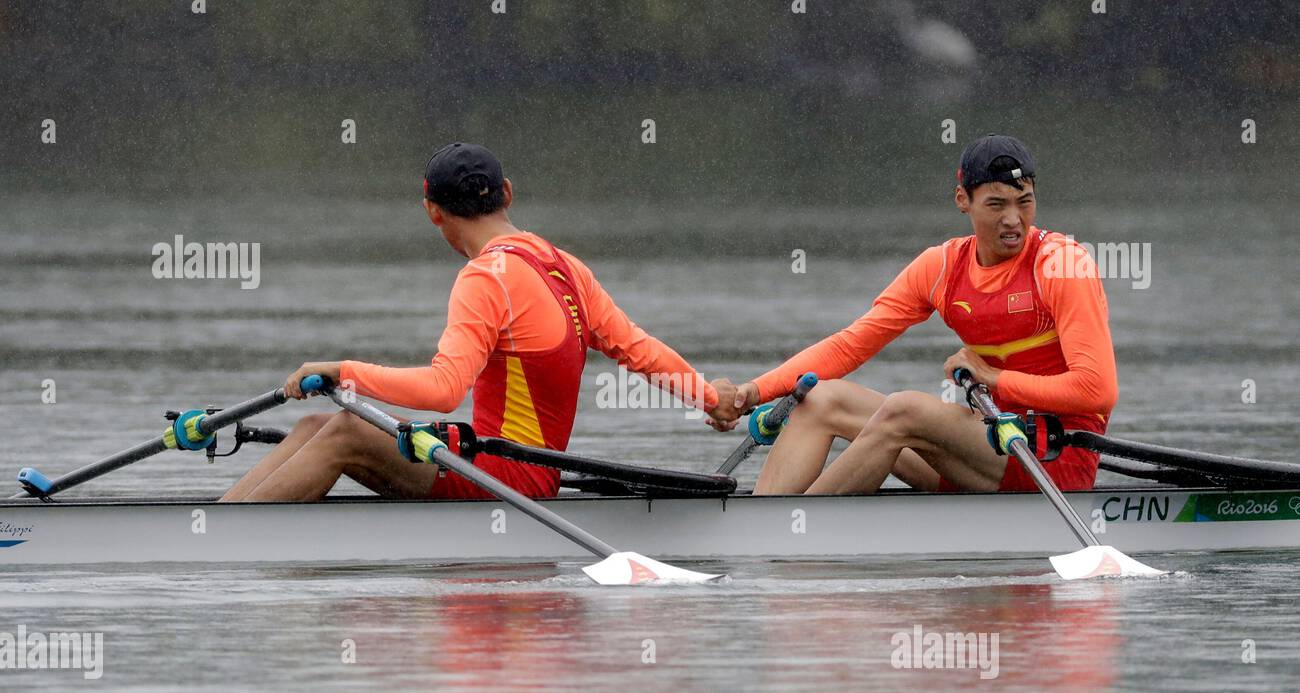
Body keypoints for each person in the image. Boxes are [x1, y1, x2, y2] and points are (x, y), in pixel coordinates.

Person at [222, 142, 729, 502]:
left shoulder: (485, 277)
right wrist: (712, 400)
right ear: (507, 192)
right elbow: (642, 353)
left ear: (432, 212)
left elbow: (444, 389)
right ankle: (224, 522)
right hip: (518, 466)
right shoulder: (565, 266)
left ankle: (217, 544)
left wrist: (341, 371)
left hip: (507, 478)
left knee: (346, 432)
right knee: (316, 423)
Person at [712, 135, 1117, 495]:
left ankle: (786, 534)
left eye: (1024, 201)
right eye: (996, 204)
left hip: (1051, 461)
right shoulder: (940, 266)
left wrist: (994, 379)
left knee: (905, 409)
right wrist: (755, 392)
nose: (1013, 219)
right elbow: (849, 345)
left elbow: (1097, 391)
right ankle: (765, 516)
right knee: (821, 397)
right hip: (984, 447)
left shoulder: (1062, 264)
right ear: (963, 200)